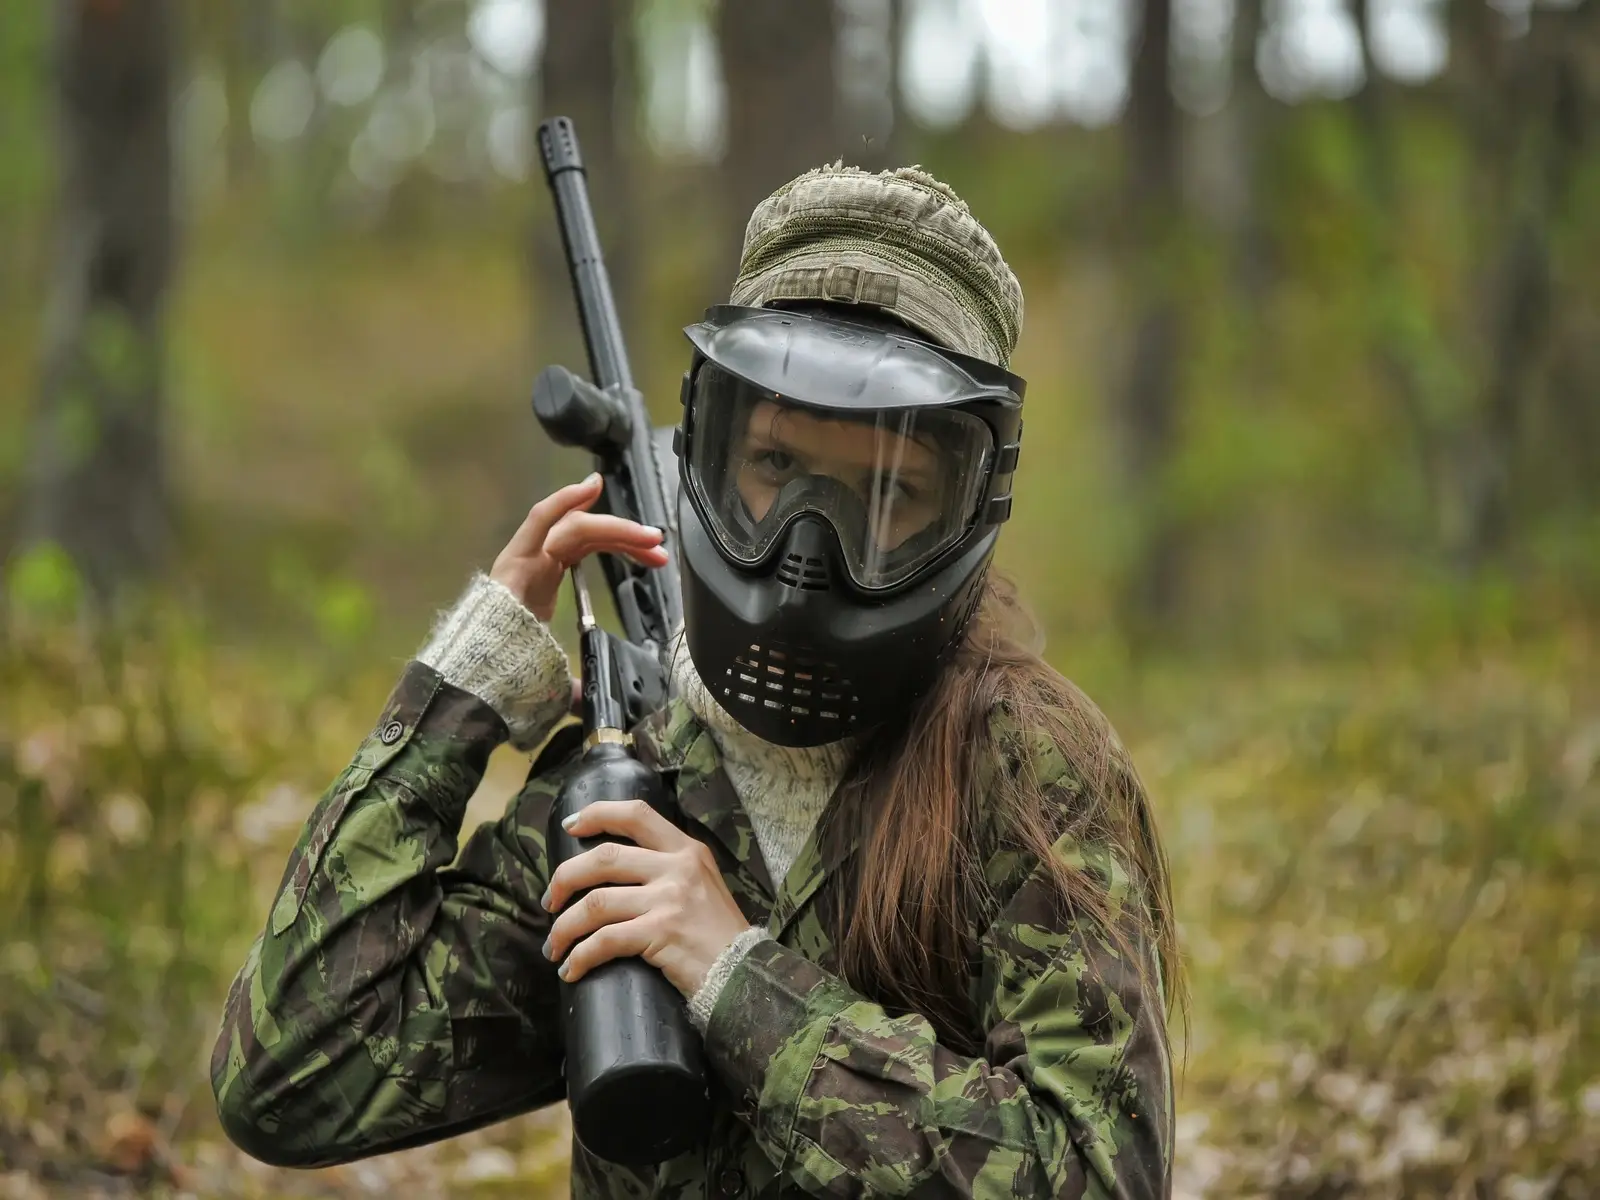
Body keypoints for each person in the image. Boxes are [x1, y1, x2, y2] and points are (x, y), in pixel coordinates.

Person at [211, 164, 1182, 1198]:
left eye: (889, 488)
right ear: (705, 456)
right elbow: (291, 1076)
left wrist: (734, 978)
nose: (810, 546)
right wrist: (465, 690)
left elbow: (1093, 1174)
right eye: (774, 465)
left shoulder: (1023, 766)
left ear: (965, 507)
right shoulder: (634, 783)